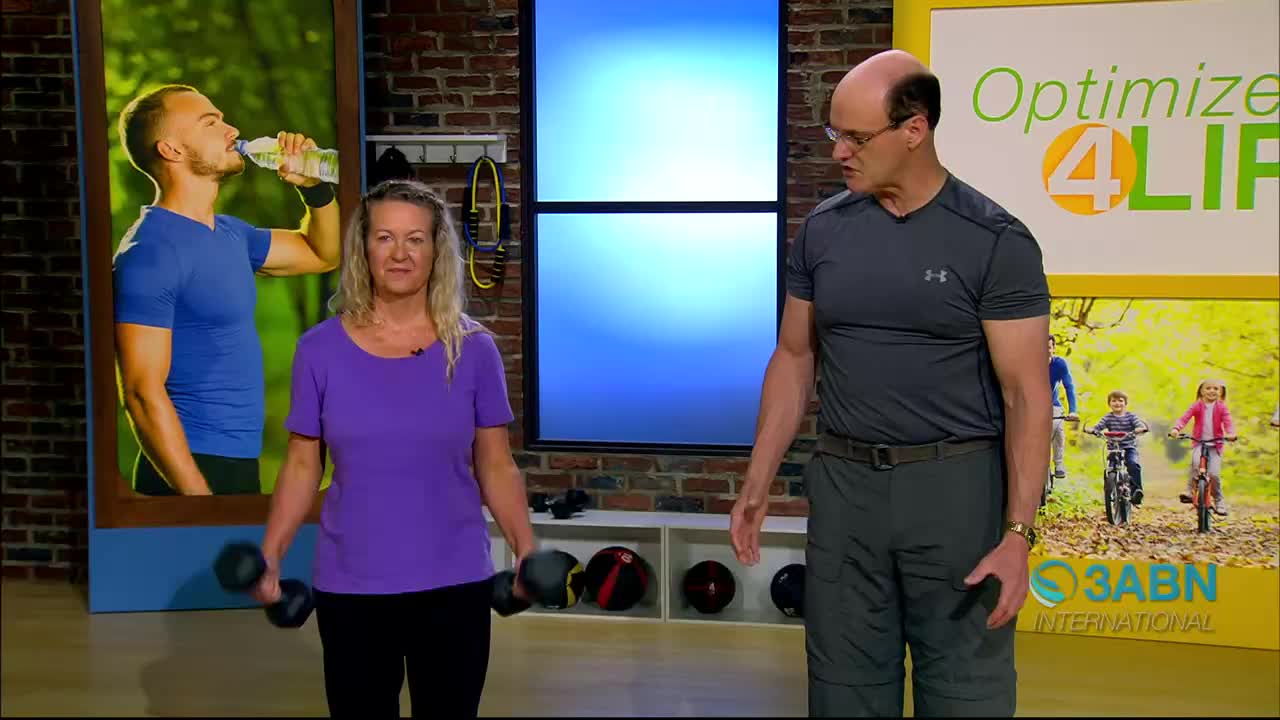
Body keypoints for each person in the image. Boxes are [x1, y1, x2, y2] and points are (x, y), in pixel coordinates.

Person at [729, 49, 1051, 717]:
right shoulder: (823, 231)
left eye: (855, 137)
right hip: (846, 490)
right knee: (842, 689)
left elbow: (1025, 394)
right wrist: (757, 482)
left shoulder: (995, 240)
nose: (839, 152)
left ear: (914, 129)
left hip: (956, 490)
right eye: (834, 134)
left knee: (966, 692)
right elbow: (793, 356)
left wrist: (1019, 534)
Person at [249, 178, 536, 717]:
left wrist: (525, 549)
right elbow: (302, 465)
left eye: (415, 239)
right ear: (364, 248)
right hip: (352, 584)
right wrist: (271, 554)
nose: (399, 253)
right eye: (385, 237)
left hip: (454, 582)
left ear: (436, 251)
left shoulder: (474, 350)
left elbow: (496, 464)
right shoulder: (318, 350)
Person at [111, 84, 341, 496]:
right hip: (188, 470)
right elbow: (141, 393)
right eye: (210, 123)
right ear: (171, 150)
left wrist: (314, 186)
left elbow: (323, 253)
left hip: (239, 464)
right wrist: (199, 499)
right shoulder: (149, 253)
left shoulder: (232, 234)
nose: (231, 129)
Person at [1168, 379, 1237, 515]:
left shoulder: (1222, 407)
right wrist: (1176, 429)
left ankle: (1218, 500)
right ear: (1201, 391)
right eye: (1208, 388)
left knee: (1214, 474)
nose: (1212, 391)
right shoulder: (1197, 406)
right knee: (1195, 464)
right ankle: (1190, 491)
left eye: (1215, 389)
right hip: (1199, 442)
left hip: (1215, 445)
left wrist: (1230, 433)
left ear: (1221, 392)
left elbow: (1228, 421)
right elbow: (1184, 418)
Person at [1088, 390, 1149, 505]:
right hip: (1113, 447)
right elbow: (1098, 426)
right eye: (1114, 401)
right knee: (1109, 469)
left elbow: (1139, 425)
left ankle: (1137, 491)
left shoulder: (1131, 416)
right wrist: (1093, 430)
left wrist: (1139, 429)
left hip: (1128, 447)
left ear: (1125, 403)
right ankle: (1109, 489)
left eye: (1120, 401)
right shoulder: (1108, 417)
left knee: (1133, 464)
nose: (1117, 403)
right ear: (1109, 404)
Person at [1049, 335, 1079, 480]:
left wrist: (1072, 411)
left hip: (1052, 405)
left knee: (1058, 429)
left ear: (1054, 348)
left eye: (1048, 348)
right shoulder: (1028, 364)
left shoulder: (1059, 364)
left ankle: (1059, 463)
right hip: (1031, 406)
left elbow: (1069, 387)